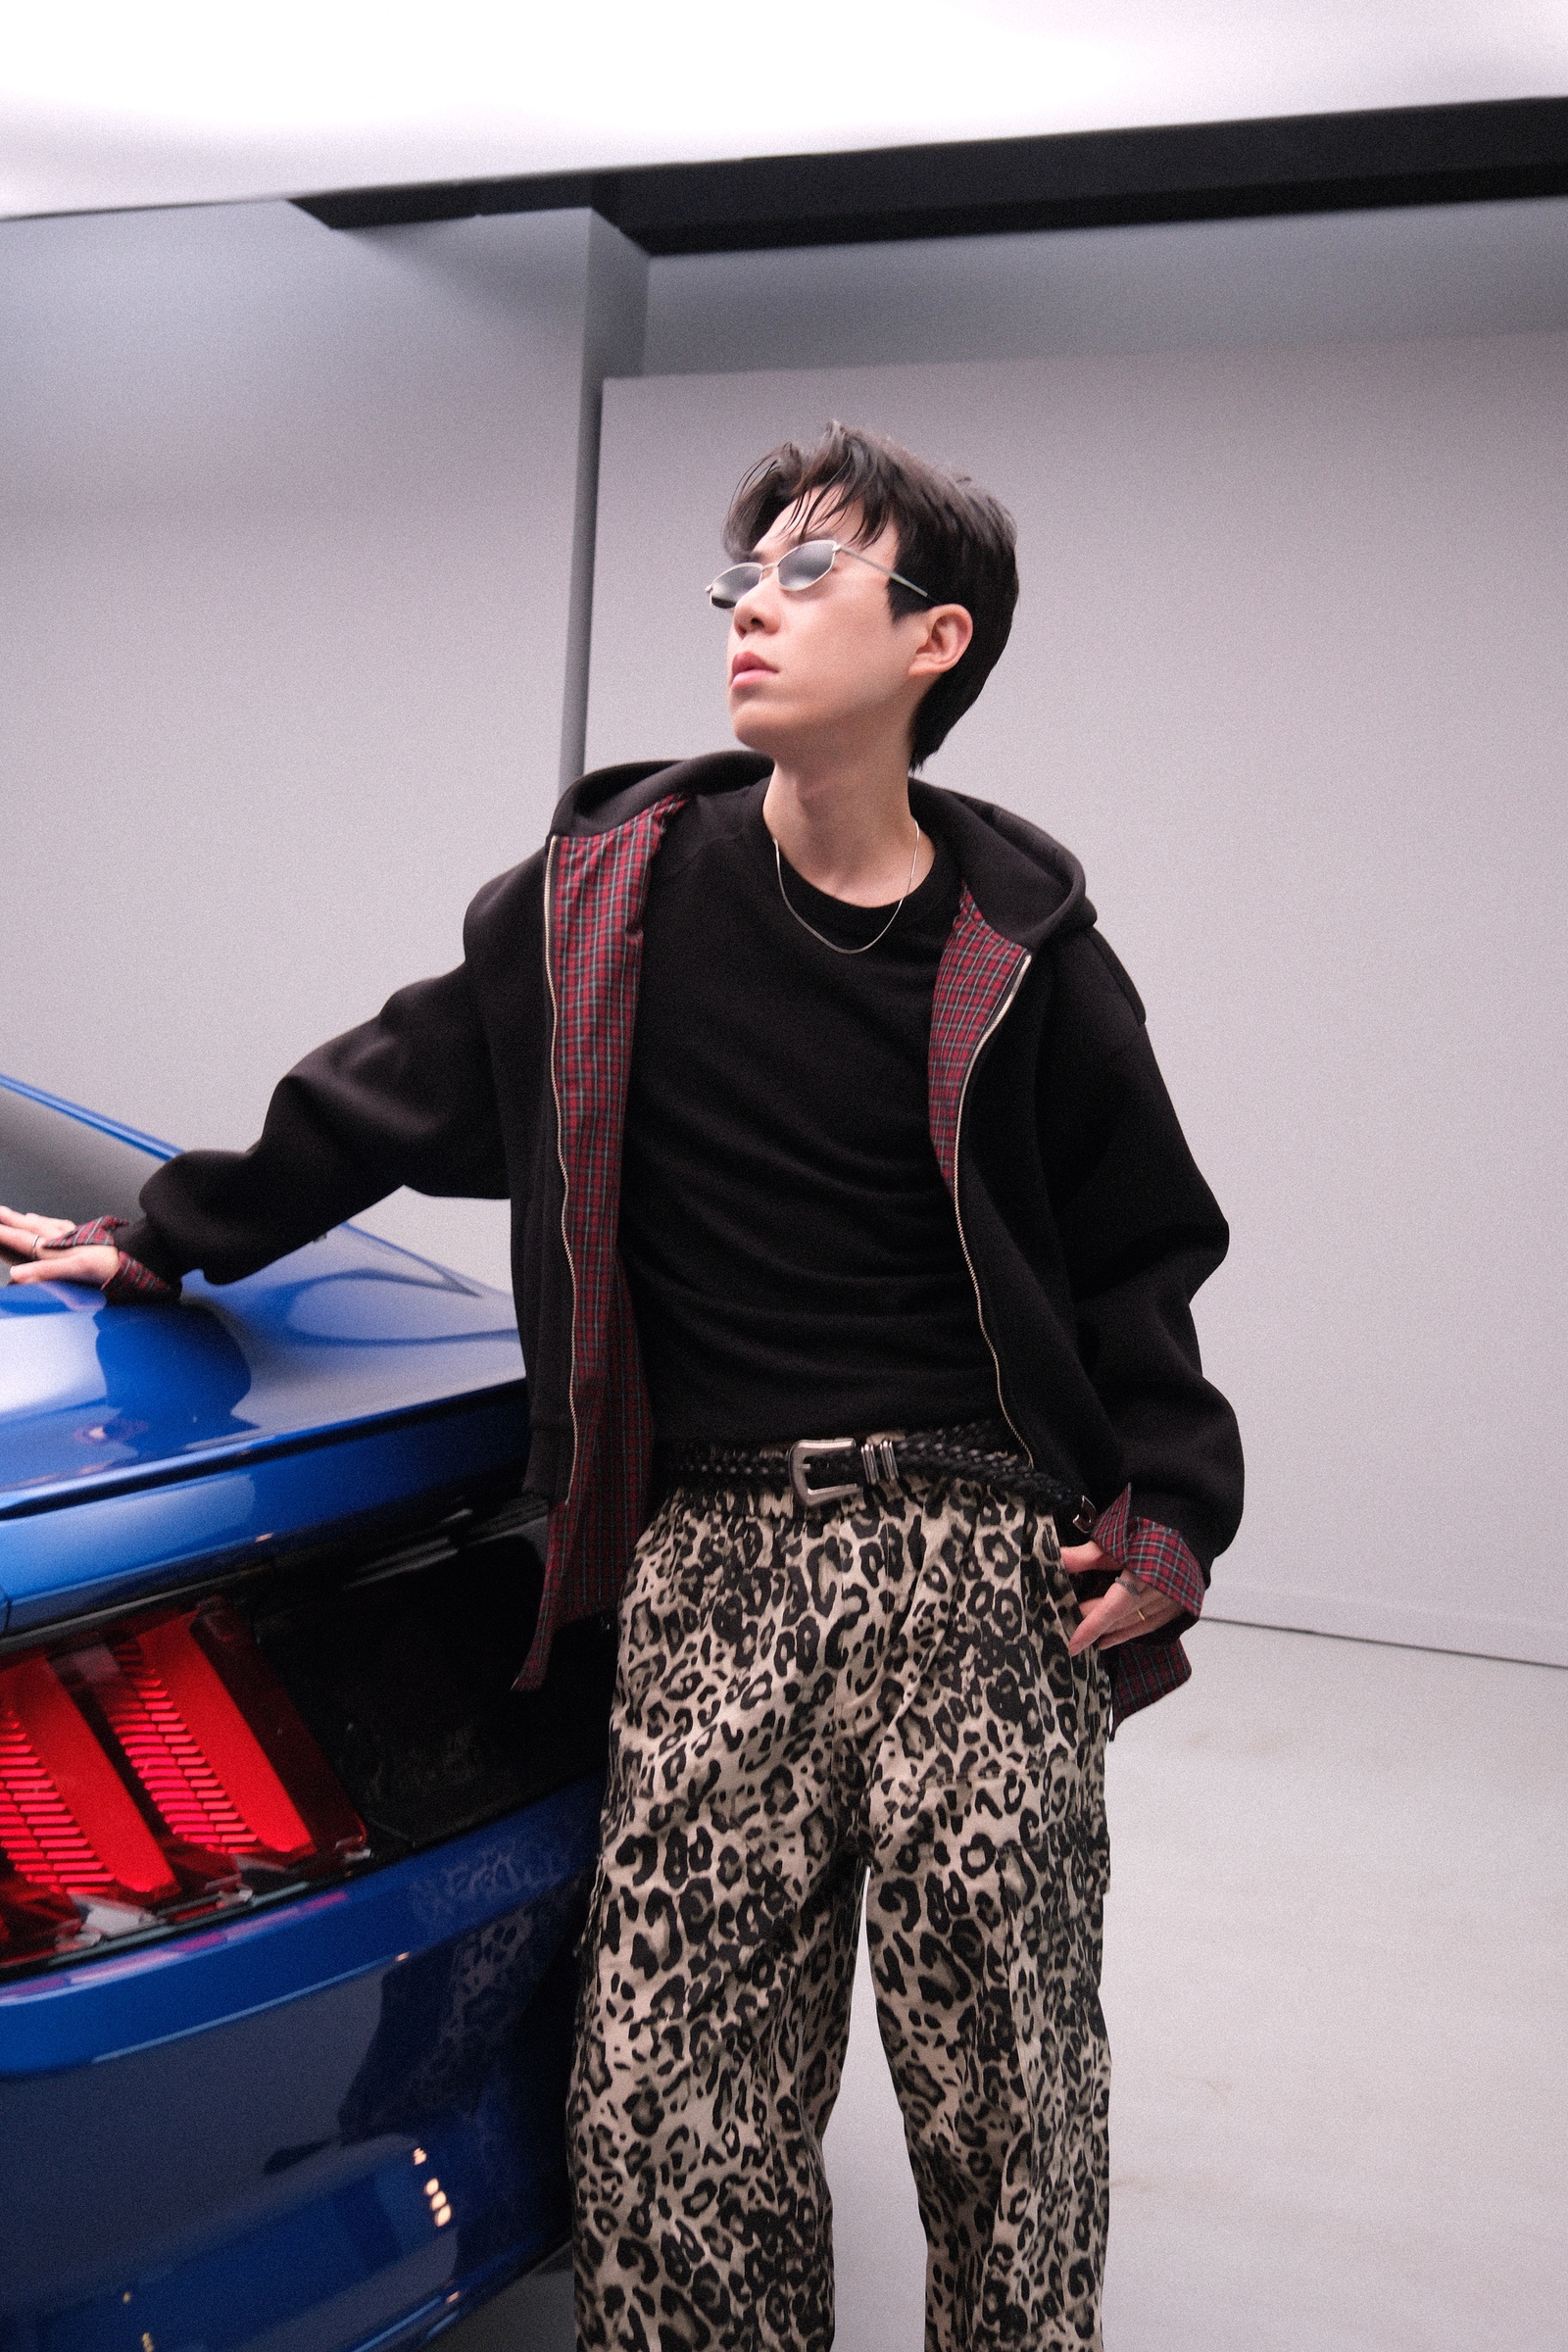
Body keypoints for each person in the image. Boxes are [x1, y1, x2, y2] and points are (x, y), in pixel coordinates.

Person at [3, 422, 1242, 2351]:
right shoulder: (604, 906)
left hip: (978, 1567)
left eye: (809, 571)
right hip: (716, 1562)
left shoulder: (1029, 956)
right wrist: (166, 1233)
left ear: (936, 639)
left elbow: (1137, 1249)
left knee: (1008, 2099)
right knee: (674, 2119)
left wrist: (1169, 1513)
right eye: (740, 575)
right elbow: (383, 1091)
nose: (751, 606)